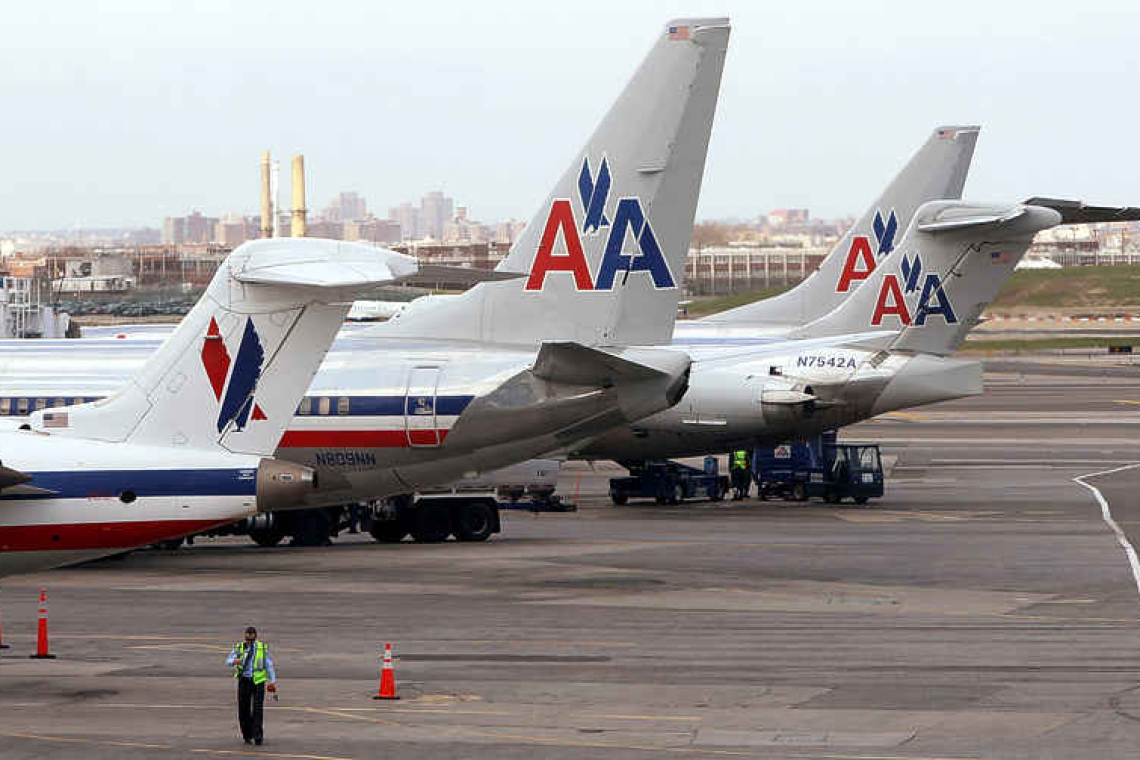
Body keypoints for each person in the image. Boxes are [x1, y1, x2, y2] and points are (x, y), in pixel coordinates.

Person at [225, 626, 277, 745]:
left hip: (258, 682)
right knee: (243, 709)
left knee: (258, 710)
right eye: (247, 639)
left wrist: (272, 681)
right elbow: (227, 660)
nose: (249, 642)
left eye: (251, 640)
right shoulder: (239, 647)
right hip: (244, 681)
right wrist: (234, 661)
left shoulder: (261, 648)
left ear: (255, 638)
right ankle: (247, 735)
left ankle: (258, 736)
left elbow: (269, 664)